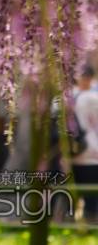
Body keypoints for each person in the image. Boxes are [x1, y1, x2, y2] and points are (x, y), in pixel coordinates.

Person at [73, 73, 98, 220]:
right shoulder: (94, 97)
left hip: (73, 153)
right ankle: (90, 223)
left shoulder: (68, 97)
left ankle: (69, 224)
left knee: (70, 197)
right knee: (91, 199)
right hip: (93, 154)